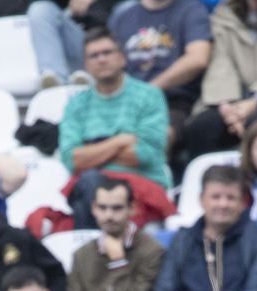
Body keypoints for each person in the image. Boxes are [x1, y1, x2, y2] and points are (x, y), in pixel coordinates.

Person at [178, 0, 257, 165]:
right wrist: (227, 106)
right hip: (231, 96)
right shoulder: (223, 13)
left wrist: (255, 101)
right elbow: (220, 61)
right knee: (202, 126)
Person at [59, 31, 173, 193]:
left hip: (142, 187)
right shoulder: (76, 104)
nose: (102, 59)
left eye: (107, 52)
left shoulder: (149, 95)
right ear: (86, 65)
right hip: (92, 191)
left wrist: (92, 150)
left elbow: (146, 154)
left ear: (122, 57)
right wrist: (120, 141)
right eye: (94, 55)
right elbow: (72, 160)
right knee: (89, 186)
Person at [67, 176, 163, 291]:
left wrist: (118, 262)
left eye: (117, 208)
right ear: (93, 209)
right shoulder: (81, 255)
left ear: (132, 208)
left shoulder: (152, 250)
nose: (108, 216)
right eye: (102, 208)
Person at [109, 0, 212, 119]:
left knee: (159, 134)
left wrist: (148, 91)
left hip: (174, 101)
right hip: (124, 102)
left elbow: (198, 59)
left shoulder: (192, 9)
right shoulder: (122, 15)